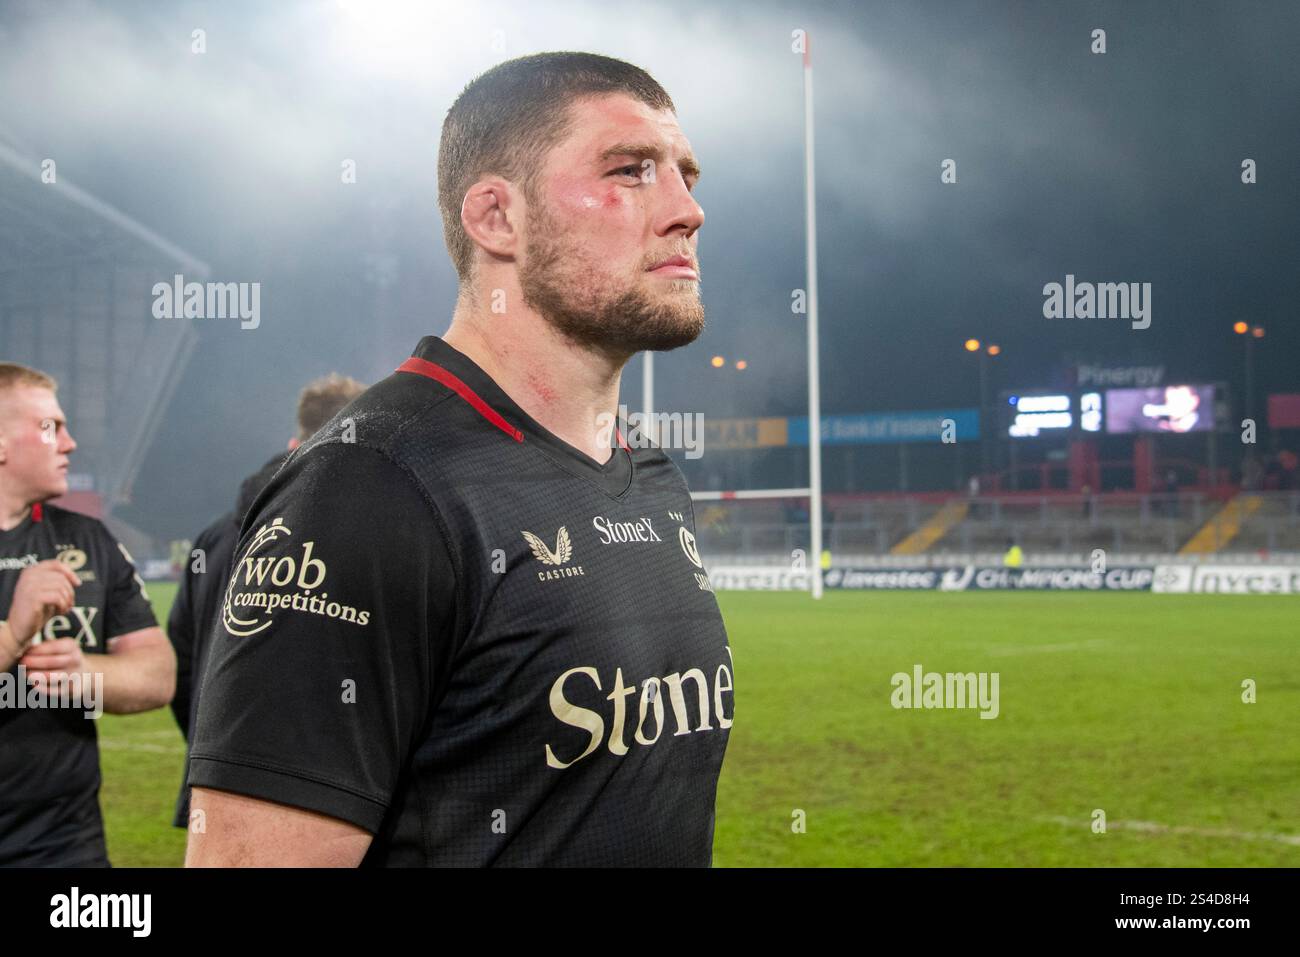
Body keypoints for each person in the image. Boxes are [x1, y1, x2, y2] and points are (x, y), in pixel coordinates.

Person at [186, 52, 732, 867]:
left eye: (686, 177)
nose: (687, 211)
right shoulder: (370, 489)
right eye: (630, 171)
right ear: (495, 218)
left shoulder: (648, 473)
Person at [166, 373, 365, 831]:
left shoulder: (212, 538)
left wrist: (209, 748)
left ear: (295, 439)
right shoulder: (358, 534)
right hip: (317, 796)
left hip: (216, 781)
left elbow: (179, 668)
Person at [0, 363, 175, 867]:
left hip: (66, 850)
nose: (70, 443)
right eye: (50, 427)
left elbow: (159, 675)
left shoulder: (87, 540)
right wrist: (14, 633)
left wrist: (85, 672)